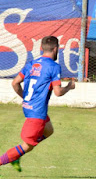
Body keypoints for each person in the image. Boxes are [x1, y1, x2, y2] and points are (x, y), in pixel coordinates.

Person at [0, 36, 75, 171]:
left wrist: (26, 98)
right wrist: (69, 86)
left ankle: (17, 154)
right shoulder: (54, 67)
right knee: (27, 146)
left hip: (29, 108)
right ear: (56, 49)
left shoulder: (31, 64)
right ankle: (10, 158)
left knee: (49, 130)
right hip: (37, 113)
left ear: (41, 48)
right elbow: (58, 92)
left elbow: (15, 83)